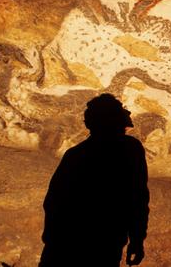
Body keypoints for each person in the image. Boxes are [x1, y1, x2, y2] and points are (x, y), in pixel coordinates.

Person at [39, 93, 149, 266]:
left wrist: (52, 245)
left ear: (90, 123)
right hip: (104, 247)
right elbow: (137, 199)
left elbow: (53, 203)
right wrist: (137, 239)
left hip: (64, 248)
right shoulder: (131, 150)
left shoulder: (75, 155)